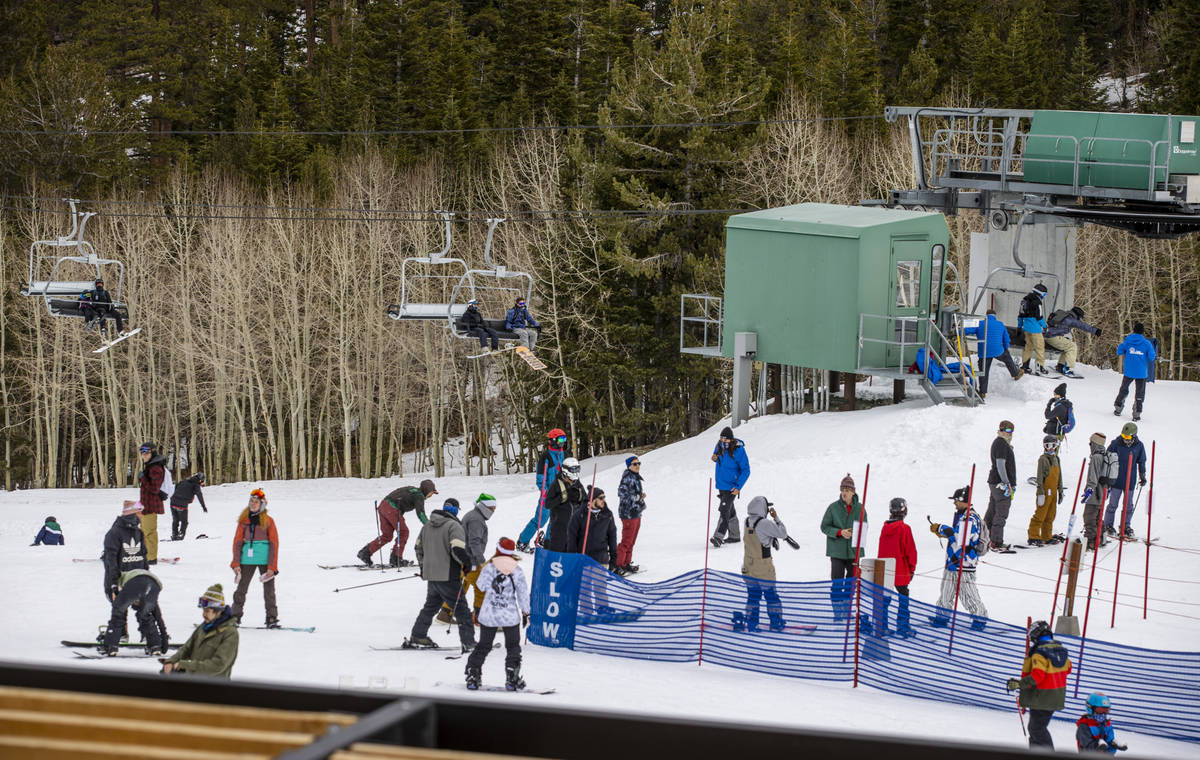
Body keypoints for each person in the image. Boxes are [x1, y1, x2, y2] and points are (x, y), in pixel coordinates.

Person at [405, 498, 477, 651]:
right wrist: (467, 564)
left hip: (432, 576)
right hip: (449, 575)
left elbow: (418, 548)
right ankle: (469, 642)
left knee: (430, 607)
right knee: (462, 610)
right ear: (456, 510)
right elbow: (457, 549)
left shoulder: (427, 526)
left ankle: (418, 635)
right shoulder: (454, 526)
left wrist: (424, 568)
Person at [464, 537, 531, 692]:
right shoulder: (517, 570)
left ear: (498, 550)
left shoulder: (489, 568)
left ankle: (473, 674)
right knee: (513, 647)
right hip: (509, 616)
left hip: (490, 615)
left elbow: (480, 585)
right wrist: (526, 612)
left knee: (483, 646)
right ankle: (512, 678)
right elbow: (522, 594)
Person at [1006, 619, 1073, 749]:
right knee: (1035, 728)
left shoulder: (1039, 653)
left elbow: (1038, 676)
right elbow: (1068, 668)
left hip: (1041, 697)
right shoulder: (1060, 651)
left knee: (1037, 729)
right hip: (1054, 697)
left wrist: (1020, 684)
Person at [929, 486, 988, 630]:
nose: (954, 503)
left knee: (967, 592)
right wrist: (944, 532)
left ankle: (979, 618)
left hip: (964, 562)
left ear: (963, 500)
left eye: (956, 500)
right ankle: (942, 616)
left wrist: (942, 529)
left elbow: (960, 539)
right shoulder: (962, 516)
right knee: (946, 590)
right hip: (953, 561)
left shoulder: (970, 518)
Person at [734, 496, 794, 633]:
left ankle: (751, 622)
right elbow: (783, 533)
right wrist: (776, 518)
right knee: (771, 595)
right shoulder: (765, 523)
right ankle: (776, 622)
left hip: (748, 566)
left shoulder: (747, 521)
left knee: (753, 596)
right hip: (763, 567)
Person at [161, 583, 239, 679]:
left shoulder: (230, 633)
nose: (204, 614)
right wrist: (171, 661)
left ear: (219, 611)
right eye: (203, 610)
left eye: (207, 611)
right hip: (195, 683)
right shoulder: (203, 627)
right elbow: (187, 649)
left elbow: (218, 665)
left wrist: (184, 666)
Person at [230, 488, 280, 628]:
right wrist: (235, 562)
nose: (253, 504)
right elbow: (237, 542)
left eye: (256, 502)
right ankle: (235, 617)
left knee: (269, 592)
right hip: (247, 560)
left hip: (265, 560)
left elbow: (274, 544)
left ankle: (271, 618)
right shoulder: (243, 520)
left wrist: (272, 567)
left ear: (262, 504)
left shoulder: (269, 521)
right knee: (241, 590)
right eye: (251, 501)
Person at [357, 480, 437, 567]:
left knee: (387, 535)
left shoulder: (412, 490)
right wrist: (429, 525)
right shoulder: (419, 496)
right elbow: (421, 513)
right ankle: (396, 558)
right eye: (431, 493)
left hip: (383, 506)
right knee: (404, 532)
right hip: (392, 509)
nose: (431, 495)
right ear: (426, 490)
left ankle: (365, 552)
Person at [820, 473, 866, 621]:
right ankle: (838, 613)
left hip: (854, 552)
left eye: (847, 490)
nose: (844, 493)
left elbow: (864, 529)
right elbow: (824, 527)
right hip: (837, 552)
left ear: (853, 492)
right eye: (843, 490)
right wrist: (840, 532)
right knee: (837, 583)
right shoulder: (833, 508)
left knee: (851, 584)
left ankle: (846, 611)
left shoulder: (860, 508)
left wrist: (856, 534)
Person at [101, 500, 149, 643]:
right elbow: (110, 560)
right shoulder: (115, 533)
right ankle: (121, 634)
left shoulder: (138, 532)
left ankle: (148, 634)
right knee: (120, 609)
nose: (142, 516)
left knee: (144, 607)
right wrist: (114, 583)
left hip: (136, 578)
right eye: (140, 513)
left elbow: (143, 555)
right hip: (118, 579)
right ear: (132, 514)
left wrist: (146, 574)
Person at [446, 493, 498, 624]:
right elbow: (474, 542)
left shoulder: (473, 515)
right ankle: (479, 617)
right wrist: (481, 562)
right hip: (471, 560)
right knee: (482, 588)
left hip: (463, 559)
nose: (493, 511)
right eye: (492, 508)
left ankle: (445, 612)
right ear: (485, 507)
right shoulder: (476, 519)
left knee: (462, 585)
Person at [517, 428, 566, 552]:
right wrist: (545, 493)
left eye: (564, 439)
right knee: (540, 520)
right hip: (548, 495)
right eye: (561, 439)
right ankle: (522, 541)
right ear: (553, 440)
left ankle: (548, 542)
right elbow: (540, 479)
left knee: (555, 521)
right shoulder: (546, 457)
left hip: (560, 495)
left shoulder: (563, 454)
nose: (563, 442)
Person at [99, 566, 164, 656]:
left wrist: (118, 597)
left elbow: (129, 595)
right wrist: (164, 641)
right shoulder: (133, 574)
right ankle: (155, 646)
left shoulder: (122, 578)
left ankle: (111, 646)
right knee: (145, 615)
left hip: (136, 582)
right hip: (154, 586)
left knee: (118, 613)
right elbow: (158, 616)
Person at [877, 497, 917, 638]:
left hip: (885, 569)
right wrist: (912, 568)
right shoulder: (904, 528)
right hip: (900, 569)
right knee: (903, 595)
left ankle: (881, 626)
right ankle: (903, 626)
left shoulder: (885, 528)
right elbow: (910, 550)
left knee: (884, 598)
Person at [963, 309, 1023, 397]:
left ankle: (982, 392)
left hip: (984, 352)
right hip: (998, 350)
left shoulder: (980, 323)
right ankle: (1016, 373)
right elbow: (1006, 339)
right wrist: (1006, 348)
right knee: (1007, 358)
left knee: (984, 371)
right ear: (995, 316)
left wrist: (959, 329)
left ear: (986, 315)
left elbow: (967, 330)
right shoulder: (1000, 324)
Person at [1103, 423, 1147, 540]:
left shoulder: (1139, 446)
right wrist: (1106, 475)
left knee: (1128, 506)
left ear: (1134, 436)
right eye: (1123, 436)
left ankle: (1125, 526)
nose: (1125, 439)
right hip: (1116, 480)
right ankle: (1108, 525)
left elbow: (1142, 461)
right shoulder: (1116, 443)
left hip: (1130, 480)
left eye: (1127, 437)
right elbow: (1107, 458)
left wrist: (1142, 476)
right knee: (1113, 504)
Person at [710, 426, 750, 547]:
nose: (723, 441)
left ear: (731, 440)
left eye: (726, 440)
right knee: (729, 510)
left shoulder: (739, 450)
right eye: (721, 439)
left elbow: (746, 470)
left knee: (724, 509)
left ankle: (718, 536)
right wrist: (714, 458)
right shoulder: (719, 446)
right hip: (721, 484)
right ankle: (734, 535)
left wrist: (738, 486)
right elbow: (716, 456)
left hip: (732, 486)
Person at [984, 420, 1017, 551]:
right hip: (1000, 483)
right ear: (1002, 430)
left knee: (992, 510)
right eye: (1008, 431)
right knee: (1001, 512)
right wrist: (1006, 483)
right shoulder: (1001, 443)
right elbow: (1000, 464)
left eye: (1011, 431)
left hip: (995, 482)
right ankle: (996, 541)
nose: (1010, 434)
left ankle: (985, 537)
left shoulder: (1001, 443)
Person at [568, 486, 618, 571]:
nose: (604, 501)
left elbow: (612, 537)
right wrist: (572, 559)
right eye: (601, 498)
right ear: (592, 500)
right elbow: (572, 538)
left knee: (600, 584)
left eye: (604, 498)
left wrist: (613, 560)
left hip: (601, 560)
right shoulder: (580, 515)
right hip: (585, 559)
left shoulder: (607, 515)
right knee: (585, 584)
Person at [1113, 322, 1156, 421]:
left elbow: (1119, 351)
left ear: (1134, 330)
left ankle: (1118, 408)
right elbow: (1151, 357)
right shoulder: (1146, 343)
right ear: (1142, 332)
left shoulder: (1127, 341)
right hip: (1141, 373)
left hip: (1128, 371)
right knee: (1140, 393)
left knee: (1124, 388)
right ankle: (1136, 414)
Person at [1028, 436, 1066, 547]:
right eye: (1048, 445)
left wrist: (1060, 490)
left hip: (1053, 491)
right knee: (1041, 513)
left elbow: (1059, 477)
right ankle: (1033, 536)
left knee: (1051, 514)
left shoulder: (1056, 459)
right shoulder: (1043, 459)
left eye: (1053, 445)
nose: (1051, 448)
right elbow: (1039, 477)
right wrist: (1040, 492)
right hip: (1045, 491)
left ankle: (1046, 535)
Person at [1045, 306, 1099, 378]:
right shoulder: (1070, 319)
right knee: (1072, 347)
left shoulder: (1064, 315)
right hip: (1053, 337)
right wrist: (1095, 331)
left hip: (1049, 335)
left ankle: (1060, 366)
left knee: (1067, 345)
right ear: (1077, 315)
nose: (1079, 319)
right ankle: (1066, 368)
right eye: (1079, 317)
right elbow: (1082, 325)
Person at [544, 456, 585, 552]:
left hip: (574, 528)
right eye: (573, 469)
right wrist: (561, 498)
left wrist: (582, 499)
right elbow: (548, 504)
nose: (576, 472)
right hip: (559, 529)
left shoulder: (577, 484)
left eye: (577, 469)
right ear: (566, 470)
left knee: (572, 554)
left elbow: (585, 501)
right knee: (558, 554)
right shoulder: (556, 484)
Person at [137, 442, 168, 564]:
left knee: (148, 532)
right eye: (142, 453)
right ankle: (149, 555)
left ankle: (150, 558)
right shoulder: (151, 466)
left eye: (146, 453)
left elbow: (154, 488)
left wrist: (142, 478)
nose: (143, 455)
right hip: (146, 504)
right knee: (147, 531)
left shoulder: (155, 468)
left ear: (153, 453)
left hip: (150, 506)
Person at [616, 455, 646, 575]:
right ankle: (618, 565)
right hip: (628, 514)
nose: (637, 466)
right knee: (626, 541)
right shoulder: (627, 477)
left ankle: (626, 563)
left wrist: (639, 498)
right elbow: (622, 494)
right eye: (634, 464)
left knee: (632, 541)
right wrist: (637, 497)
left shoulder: (635, 476)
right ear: (629, 466)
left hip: (636, 512)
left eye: (639, 463)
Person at [1081, 433, 1111, 550]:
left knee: (1089, 516)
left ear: (1095, 443)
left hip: (1094, 492)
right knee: (1098, 516)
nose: (1090, 445)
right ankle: (1101, 537)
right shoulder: (1106, 455)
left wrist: (1089, 490)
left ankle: (1090, 541)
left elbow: (1093, 477)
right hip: (1104, 491)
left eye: (1091, 443)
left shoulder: (1096, 457)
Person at [1018, 282, 1051, 375]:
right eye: (1044, 294)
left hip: (1026, 328)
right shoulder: (1037, 302)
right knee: (1039, 348)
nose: (1044, 296)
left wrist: (1019, 326)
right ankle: (1039, 368)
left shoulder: (1024, 300)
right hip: (1036, 329)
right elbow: (1039, 317)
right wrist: (1045, 326)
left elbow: (1020, 315)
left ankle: (1025, 366)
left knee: (1028, 347)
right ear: (1040, 293)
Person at [169, 472, 208, 541]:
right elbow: (199, 495)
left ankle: (174, 535)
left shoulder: (184, 481)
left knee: (175, 520)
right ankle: (180, 536)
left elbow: (175, 488)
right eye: (202, 482)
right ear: (200, 480)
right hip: (182, 504)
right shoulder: (195, 485)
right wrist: (203, 507)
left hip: (173, 503)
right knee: (184, 522)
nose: (202, 484)